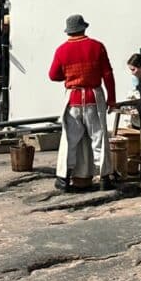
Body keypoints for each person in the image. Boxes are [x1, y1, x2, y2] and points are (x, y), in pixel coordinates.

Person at [48, 14, 117, 192]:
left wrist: (69, 75)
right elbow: (107, 74)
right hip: (94, 95)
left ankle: (64, 178)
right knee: (99, 138)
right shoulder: (97, 46)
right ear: (84, 28)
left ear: (68, 31)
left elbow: (53, 75)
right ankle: (104, 177)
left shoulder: (61, 50)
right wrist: (112, 99)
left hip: (73, 98)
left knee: (69, 140)